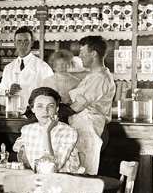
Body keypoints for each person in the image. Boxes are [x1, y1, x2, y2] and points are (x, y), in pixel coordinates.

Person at [68, 35, 115, 175]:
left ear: (93, 54)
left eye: (82, 52)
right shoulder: (92, 76)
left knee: (85, 174)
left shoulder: (101, 77)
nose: (79, 55)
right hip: (82, 127)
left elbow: (80, 105)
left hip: (90, 129)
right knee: (77, 171)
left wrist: (61, 112)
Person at [14, 87, 82, 173]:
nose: (45, 111)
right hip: (38, 179)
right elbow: (18, 147)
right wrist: (22, 150)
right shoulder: (27, 129)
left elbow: (53, 166)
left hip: (63, 180)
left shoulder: (68, 131)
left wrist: (46, 132)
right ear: (32, 109)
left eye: (50, 106)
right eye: (39, 106)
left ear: (57, 109)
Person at [0, 26, 53, 112]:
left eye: (26, 41)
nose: (23, 44)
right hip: (13, 113)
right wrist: (9, 92)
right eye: (19, 41)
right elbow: (1, 94)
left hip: (35, 115)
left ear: (31, 43)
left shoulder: (43, 67)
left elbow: (50, 94)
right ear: (15, 43)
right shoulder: (8, 68)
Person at [42, 49, 81, 123]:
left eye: (64, 64)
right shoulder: (47, 81)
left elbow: (77, 101)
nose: (61, 67)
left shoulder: (75, 81)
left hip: (68, 113)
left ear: (69, 64)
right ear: (53, 65)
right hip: (51, 113)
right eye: (58, 64)